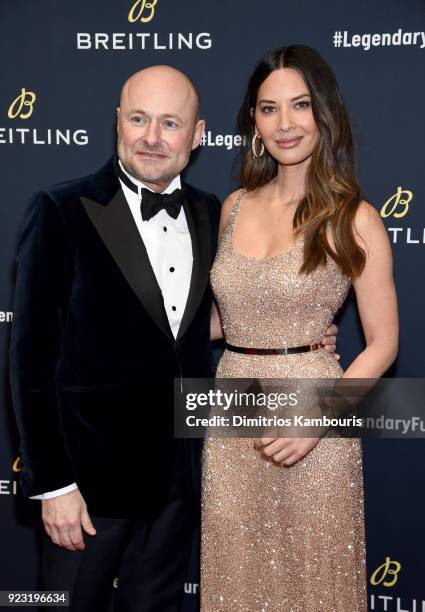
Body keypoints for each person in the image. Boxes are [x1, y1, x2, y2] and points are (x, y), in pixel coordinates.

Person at [9, 64, 338, 611]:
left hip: (182, 482)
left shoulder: (215, 213)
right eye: (139, 119)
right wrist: (54, 485)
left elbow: (188, 325)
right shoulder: (61, 209)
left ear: (198, 134)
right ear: (118, 122)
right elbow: (29, 363)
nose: (152, 137)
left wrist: (295, 333)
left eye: (169, 123)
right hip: (89, 488)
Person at [202, 45, 398, 611]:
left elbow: (383, 342)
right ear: (254, 122)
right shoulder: (234, 206)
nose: (285, 124)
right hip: (233, 406)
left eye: (300, 105)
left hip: (315, 412)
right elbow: (230, 317)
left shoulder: (353, 217)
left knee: (315, 578)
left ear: (325, 114)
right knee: (235, 573)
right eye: (268, 109)